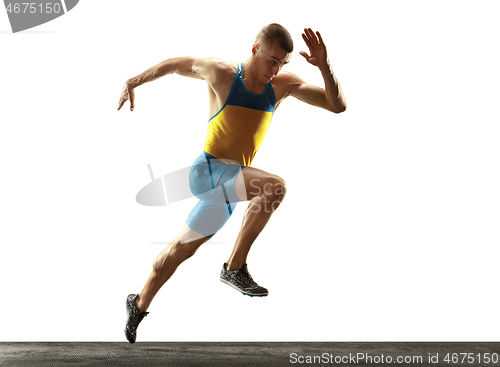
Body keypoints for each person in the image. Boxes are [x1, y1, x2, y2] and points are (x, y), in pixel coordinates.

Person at [117, 24, 346, 343]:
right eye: (272, 60)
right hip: (207, 173)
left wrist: (325, 66)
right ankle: (234, 267)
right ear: (255, 50)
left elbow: (337, 105)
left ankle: (138, 304)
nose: (276, 69)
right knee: (274, 187)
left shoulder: (282, 86)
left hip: (228, 191)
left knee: (174, 255)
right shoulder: (220, 73)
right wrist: (132, 81)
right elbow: (171, 65)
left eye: (283, 64)